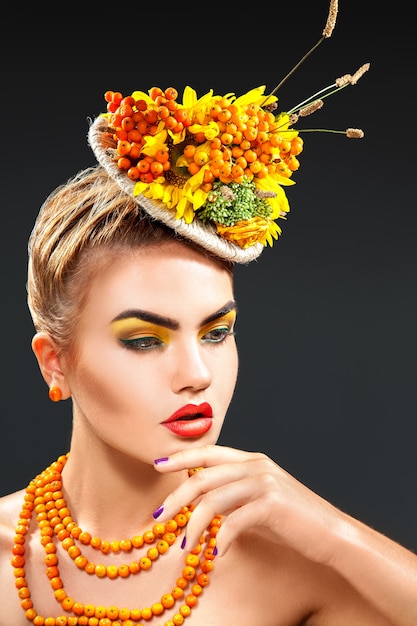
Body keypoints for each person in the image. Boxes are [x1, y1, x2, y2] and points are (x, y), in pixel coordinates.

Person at [1, 4, 416, 625]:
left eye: (217, 332)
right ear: (54, 361)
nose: (196, 373)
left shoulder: (294, 564)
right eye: (144, 339)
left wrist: (333, 534)